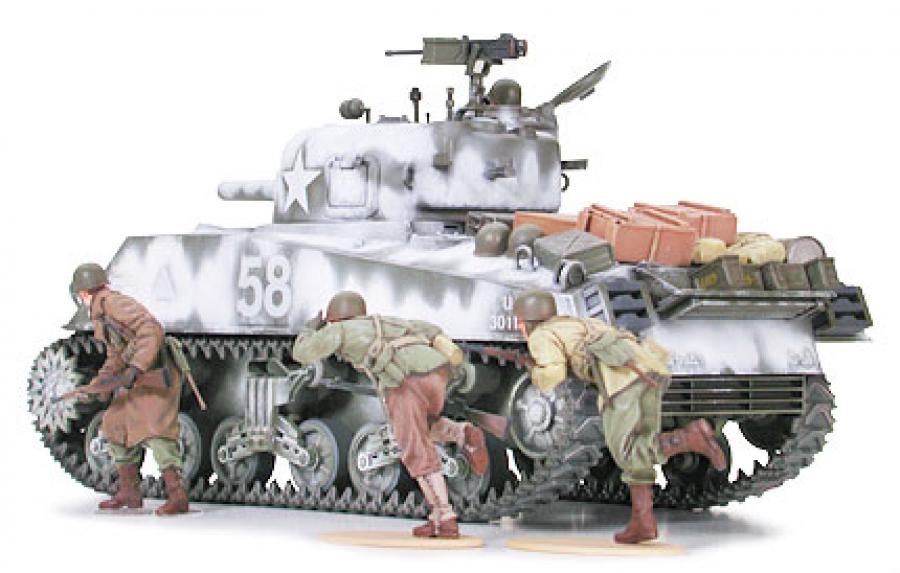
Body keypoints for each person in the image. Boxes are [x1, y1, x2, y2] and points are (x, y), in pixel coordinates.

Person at [512, 290, 727, 544]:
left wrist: (534, 371)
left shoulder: (542, 335)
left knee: (627, 451)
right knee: (642, 443)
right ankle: (643, 522)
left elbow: (553, 376)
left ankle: (689, 438)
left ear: (523, 322)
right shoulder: (576, 323)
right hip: (651, 371)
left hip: (622, 381)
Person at [291, 291, 487, 539]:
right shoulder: (384, 322)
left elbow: (302, 353)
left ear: (335, 319)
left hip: (405, 382)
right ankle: (462, 433)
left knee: (414, 448)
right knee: (426, 428)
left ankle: (445, 516)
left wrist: (310, 329)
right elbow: (430, 330)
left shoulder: (340, 330)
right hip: (438, 373)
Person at [69, 263, 189, 516]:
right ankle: (129, 491)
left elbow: (151, 329)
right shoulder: (101, 311)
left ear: (84, 293)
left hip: (157, 373)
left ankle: (177, 495)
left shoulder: (113, 304)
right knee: (115, 422)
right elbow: (116, 354)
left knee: (157, 430)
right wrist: (99, 385)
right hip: (138, 377)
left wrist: (136, 367)